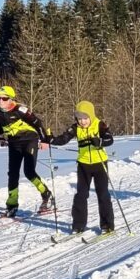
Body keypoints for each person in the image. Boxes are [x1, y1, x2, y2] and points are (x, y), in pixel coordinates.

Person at [47, 100, 115, 236]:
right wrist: (51, 139)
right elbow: (64, 138)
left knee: (103, 194)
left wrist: (100, 141)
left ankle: (107, 225)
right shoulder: (76, 128)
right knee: (81, 195)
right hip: (83, 165)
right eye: (79, 119)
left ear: (91, 116)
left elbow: (110, 139)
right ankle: (78, 226)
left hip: (100, 164)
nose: (82, 122)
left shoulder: (99, 125)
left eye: (85, 118)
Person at [0, 85, 54, 219]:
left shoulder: (20, 110)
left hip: (29, 139)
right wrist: (1, 138)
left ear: (11, 99)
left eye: (4, 98)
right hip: (14, 143)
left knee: (29, 172)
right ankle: (12, 205)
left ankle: (45, 193)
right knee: (12, 174)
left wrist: (44, 140)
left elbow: (38, 123)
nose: (1, 101)